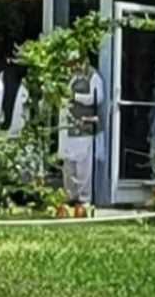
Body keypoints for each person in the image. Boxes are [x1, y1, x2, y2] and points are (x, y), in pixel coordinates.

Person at [61, 61, 104, 204]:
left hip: (84, 128)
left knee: (83, 167)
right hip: (70, 128)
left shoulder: (93, 76)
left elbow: (98, 97)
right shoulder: (72, 76)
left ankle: (84, 199)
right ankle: (71, 197)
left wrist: (76, 97)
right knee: (69, 165)